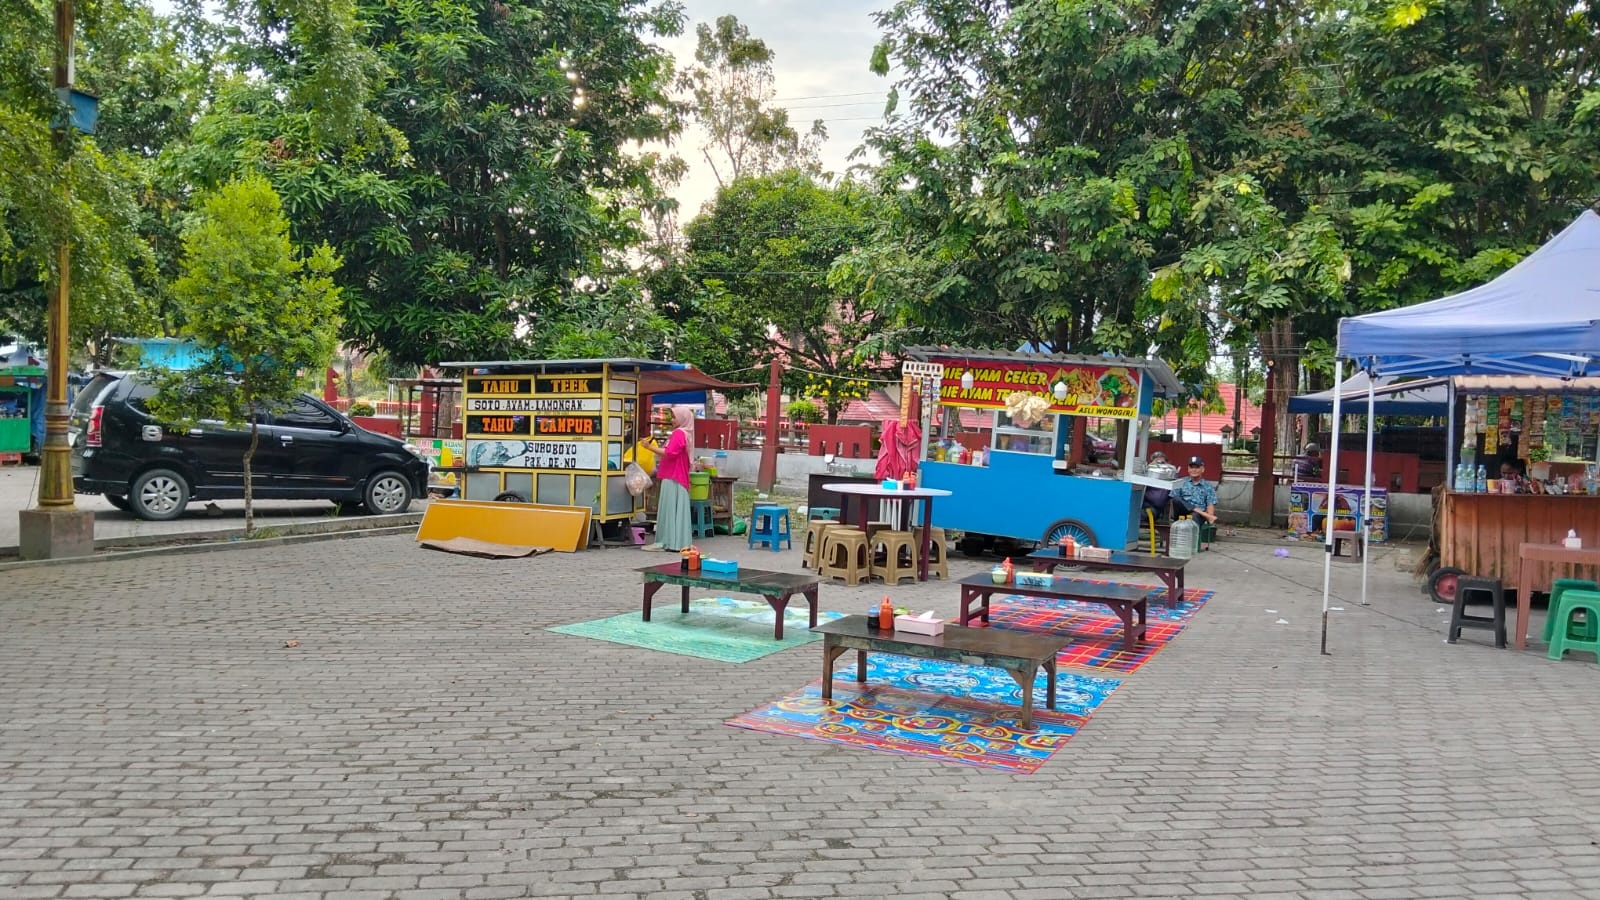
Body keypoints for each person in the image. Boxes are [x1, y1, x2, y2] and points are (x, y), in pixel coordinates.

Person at [644, 406, 695, 551]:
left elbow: (670, 453)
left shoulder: (679, 433)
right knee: (675, 510)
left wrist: (649, 447)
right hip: (678, 475)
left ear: (682, 419)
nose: (672, 420)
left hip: (674, 476)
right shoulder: (686, 434)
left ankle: (666, 541)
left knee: (669, 509)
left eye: (674, 417)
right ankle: (676, 542)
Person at [1172, 456, 1219, 543]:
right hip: (1181, 513)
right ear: (1188, 469)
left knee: (1194, 516)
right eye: (1191, 467)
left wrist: (1210, 514)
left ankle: (1189, 543)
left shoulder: (1208, 486)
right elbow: (1175, 501)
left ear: (1203, 469)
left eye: (1197, 467)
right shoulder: (1181, 482)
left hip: (1198, 517)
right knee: (1176, 499)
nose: (1194, 470)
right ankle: (1201, 513)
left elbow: (1210, 504)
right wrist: (1207, 515)